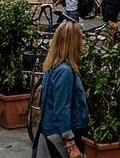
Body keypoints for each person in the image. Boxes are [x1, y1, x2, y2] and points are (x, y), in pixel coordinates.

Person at [36, 21, 91, 158]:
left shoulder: (53, 66)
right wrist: (70, 143)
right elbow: (62, 108)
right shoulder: (64, 71)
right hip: (61, 136)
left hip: (52, 131)